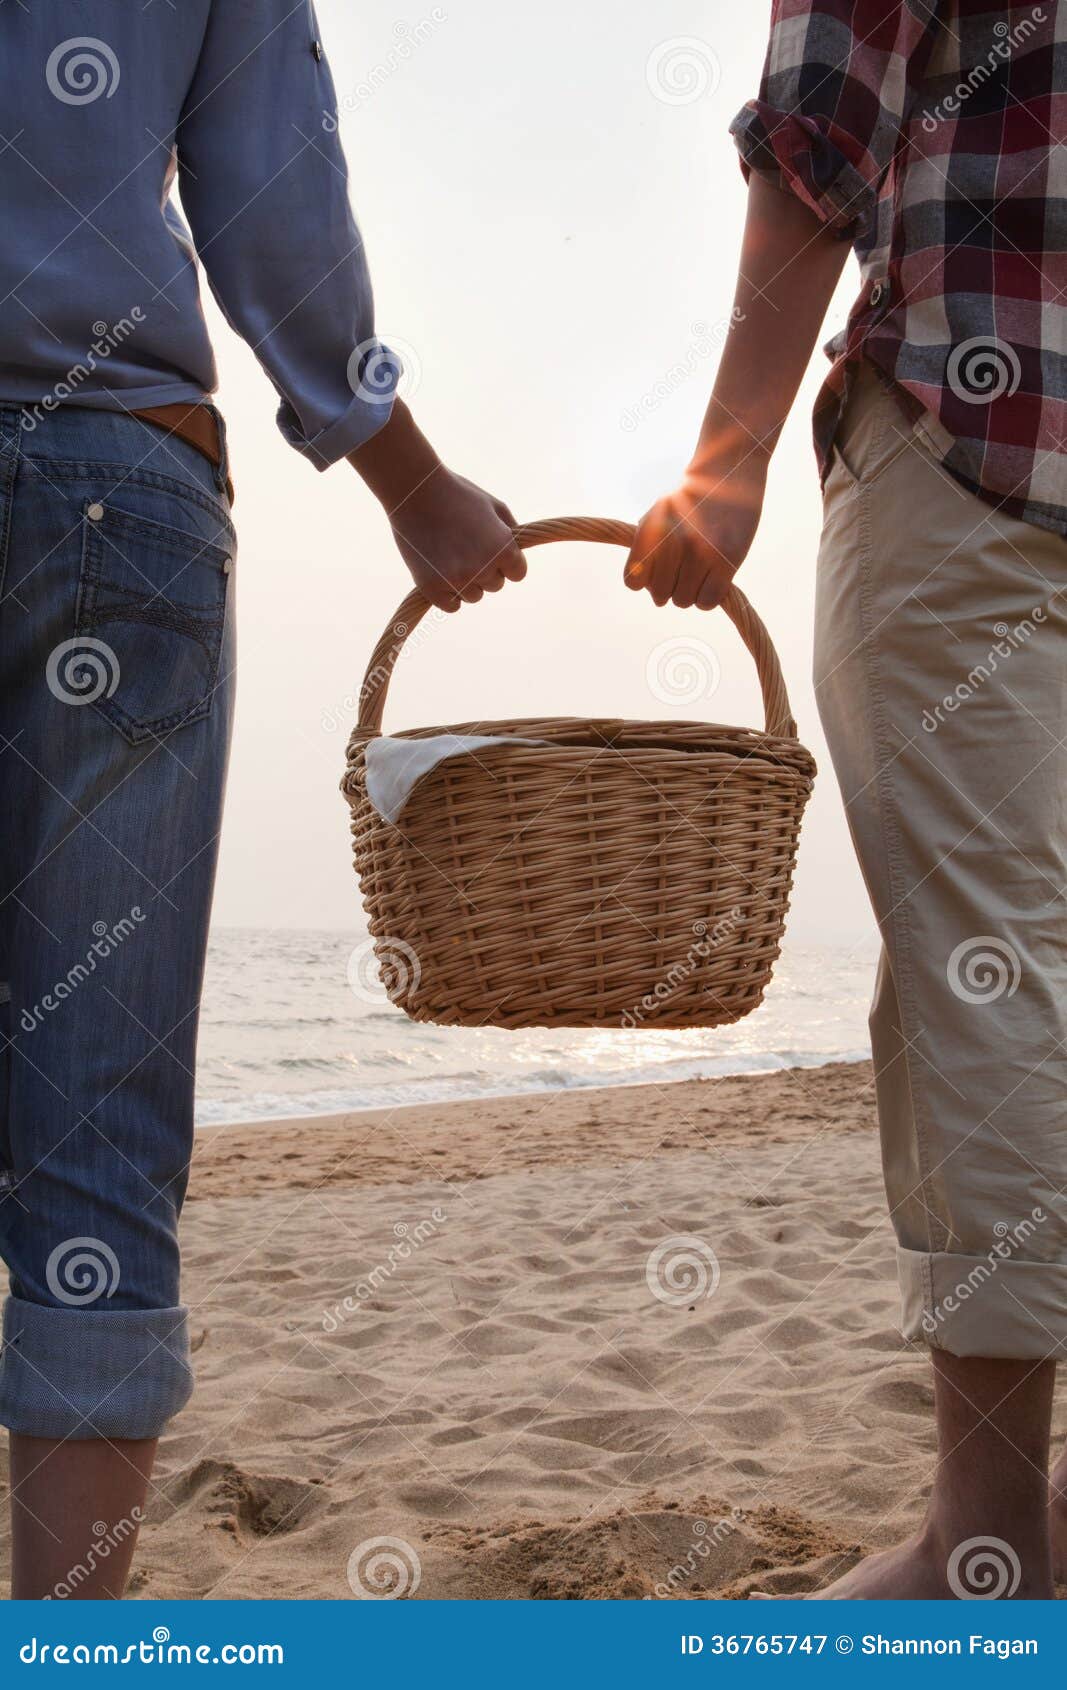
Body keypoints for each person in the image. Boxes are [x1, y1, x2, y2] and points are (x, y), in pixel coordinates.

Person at [0, 4, 523, 1599]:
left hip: (116, 487)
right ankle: (72, 1643)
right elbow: (268, 194)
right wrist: (411, 481)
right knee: (95, 1126)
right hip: (114, 482)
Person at [627, 0, 1066, 1599]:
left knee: (989, 970)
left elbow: (822, 135)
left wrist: (728, 455)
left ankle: (994, 1539)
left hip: (976, 450)